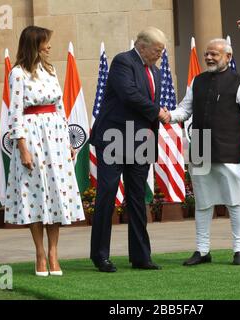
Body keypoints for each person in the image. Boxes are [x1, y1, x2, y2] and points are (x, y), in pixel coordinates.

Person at [164, 38, 240, 266]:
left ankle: (239, 250)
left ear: (228, 57)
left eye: (214, 54)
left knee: (235, 201)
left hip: (229, 150)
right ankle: (202, 250)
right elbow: (184, 110)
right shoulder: (197, 81)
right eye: (207, 54)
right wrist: (167, 115)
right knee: (203, 202)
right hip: (200, 150)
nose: (208, 58)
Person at [4, 26, 84, 276]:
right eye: (46, 42)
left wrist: (69, 141)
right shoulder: (17, 74)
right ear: (34, 44)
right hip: (33, 136)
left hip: (56, 137)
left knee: (58, 193)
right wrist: (23, 148)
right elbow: (14, 113)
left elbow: (60, 108)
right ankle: (39, 253)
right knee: (36, 195)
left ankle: (54, 253)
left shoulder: (51, 70)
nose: (49, 46)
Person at [89, 27, 170, 272]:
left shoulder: (155, 71)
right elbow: (129, 95)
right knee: (107, 196)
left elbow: (147, 102)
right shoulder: (123, 61)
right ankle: (100, 255)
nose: (160, 55)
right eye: (157, 51)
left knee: (137, 198)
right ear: (142, 46)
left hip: (140, 142)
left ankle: (141, 256)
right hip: (114, 139)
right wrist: (157, 112)